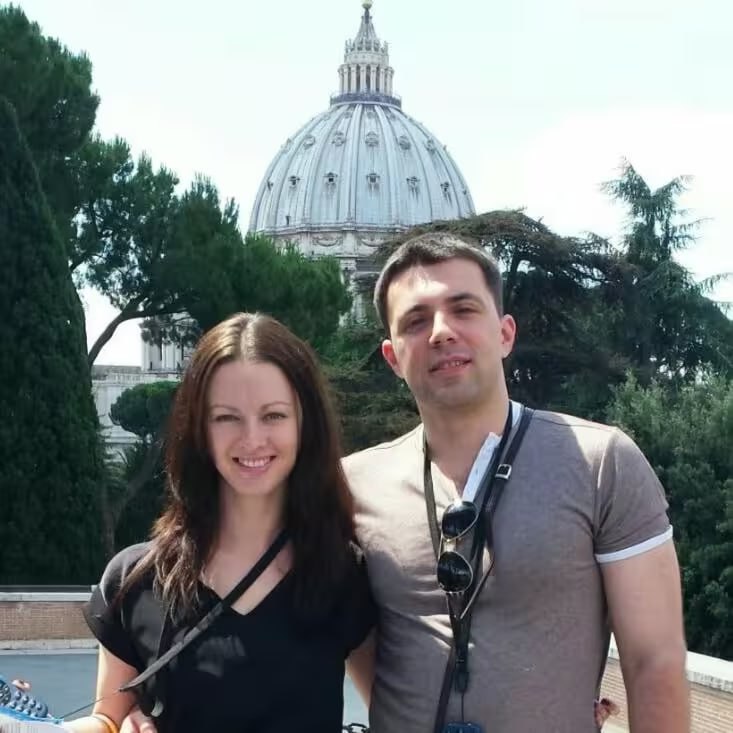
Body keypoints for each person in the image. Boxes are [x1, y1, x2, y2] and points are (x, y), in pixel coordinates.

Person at [341, 232, 690, 732]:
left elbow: (654, 661)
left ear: (505, 334)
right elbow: (360, 643)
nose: (441, 332)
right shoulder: (352, 486)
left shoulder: (602, 463)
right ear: (392, 357)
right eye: (416, 321)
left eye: (463, 309)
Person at [22, 312, 375, 733]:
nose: (252, 439)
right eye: (226, 417)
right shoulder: (136, 578)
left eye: (274, 416)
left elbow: (396, 712)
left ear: (305, 424)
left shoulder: (343, 574)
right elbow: (107, 720)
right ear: (199, 429)